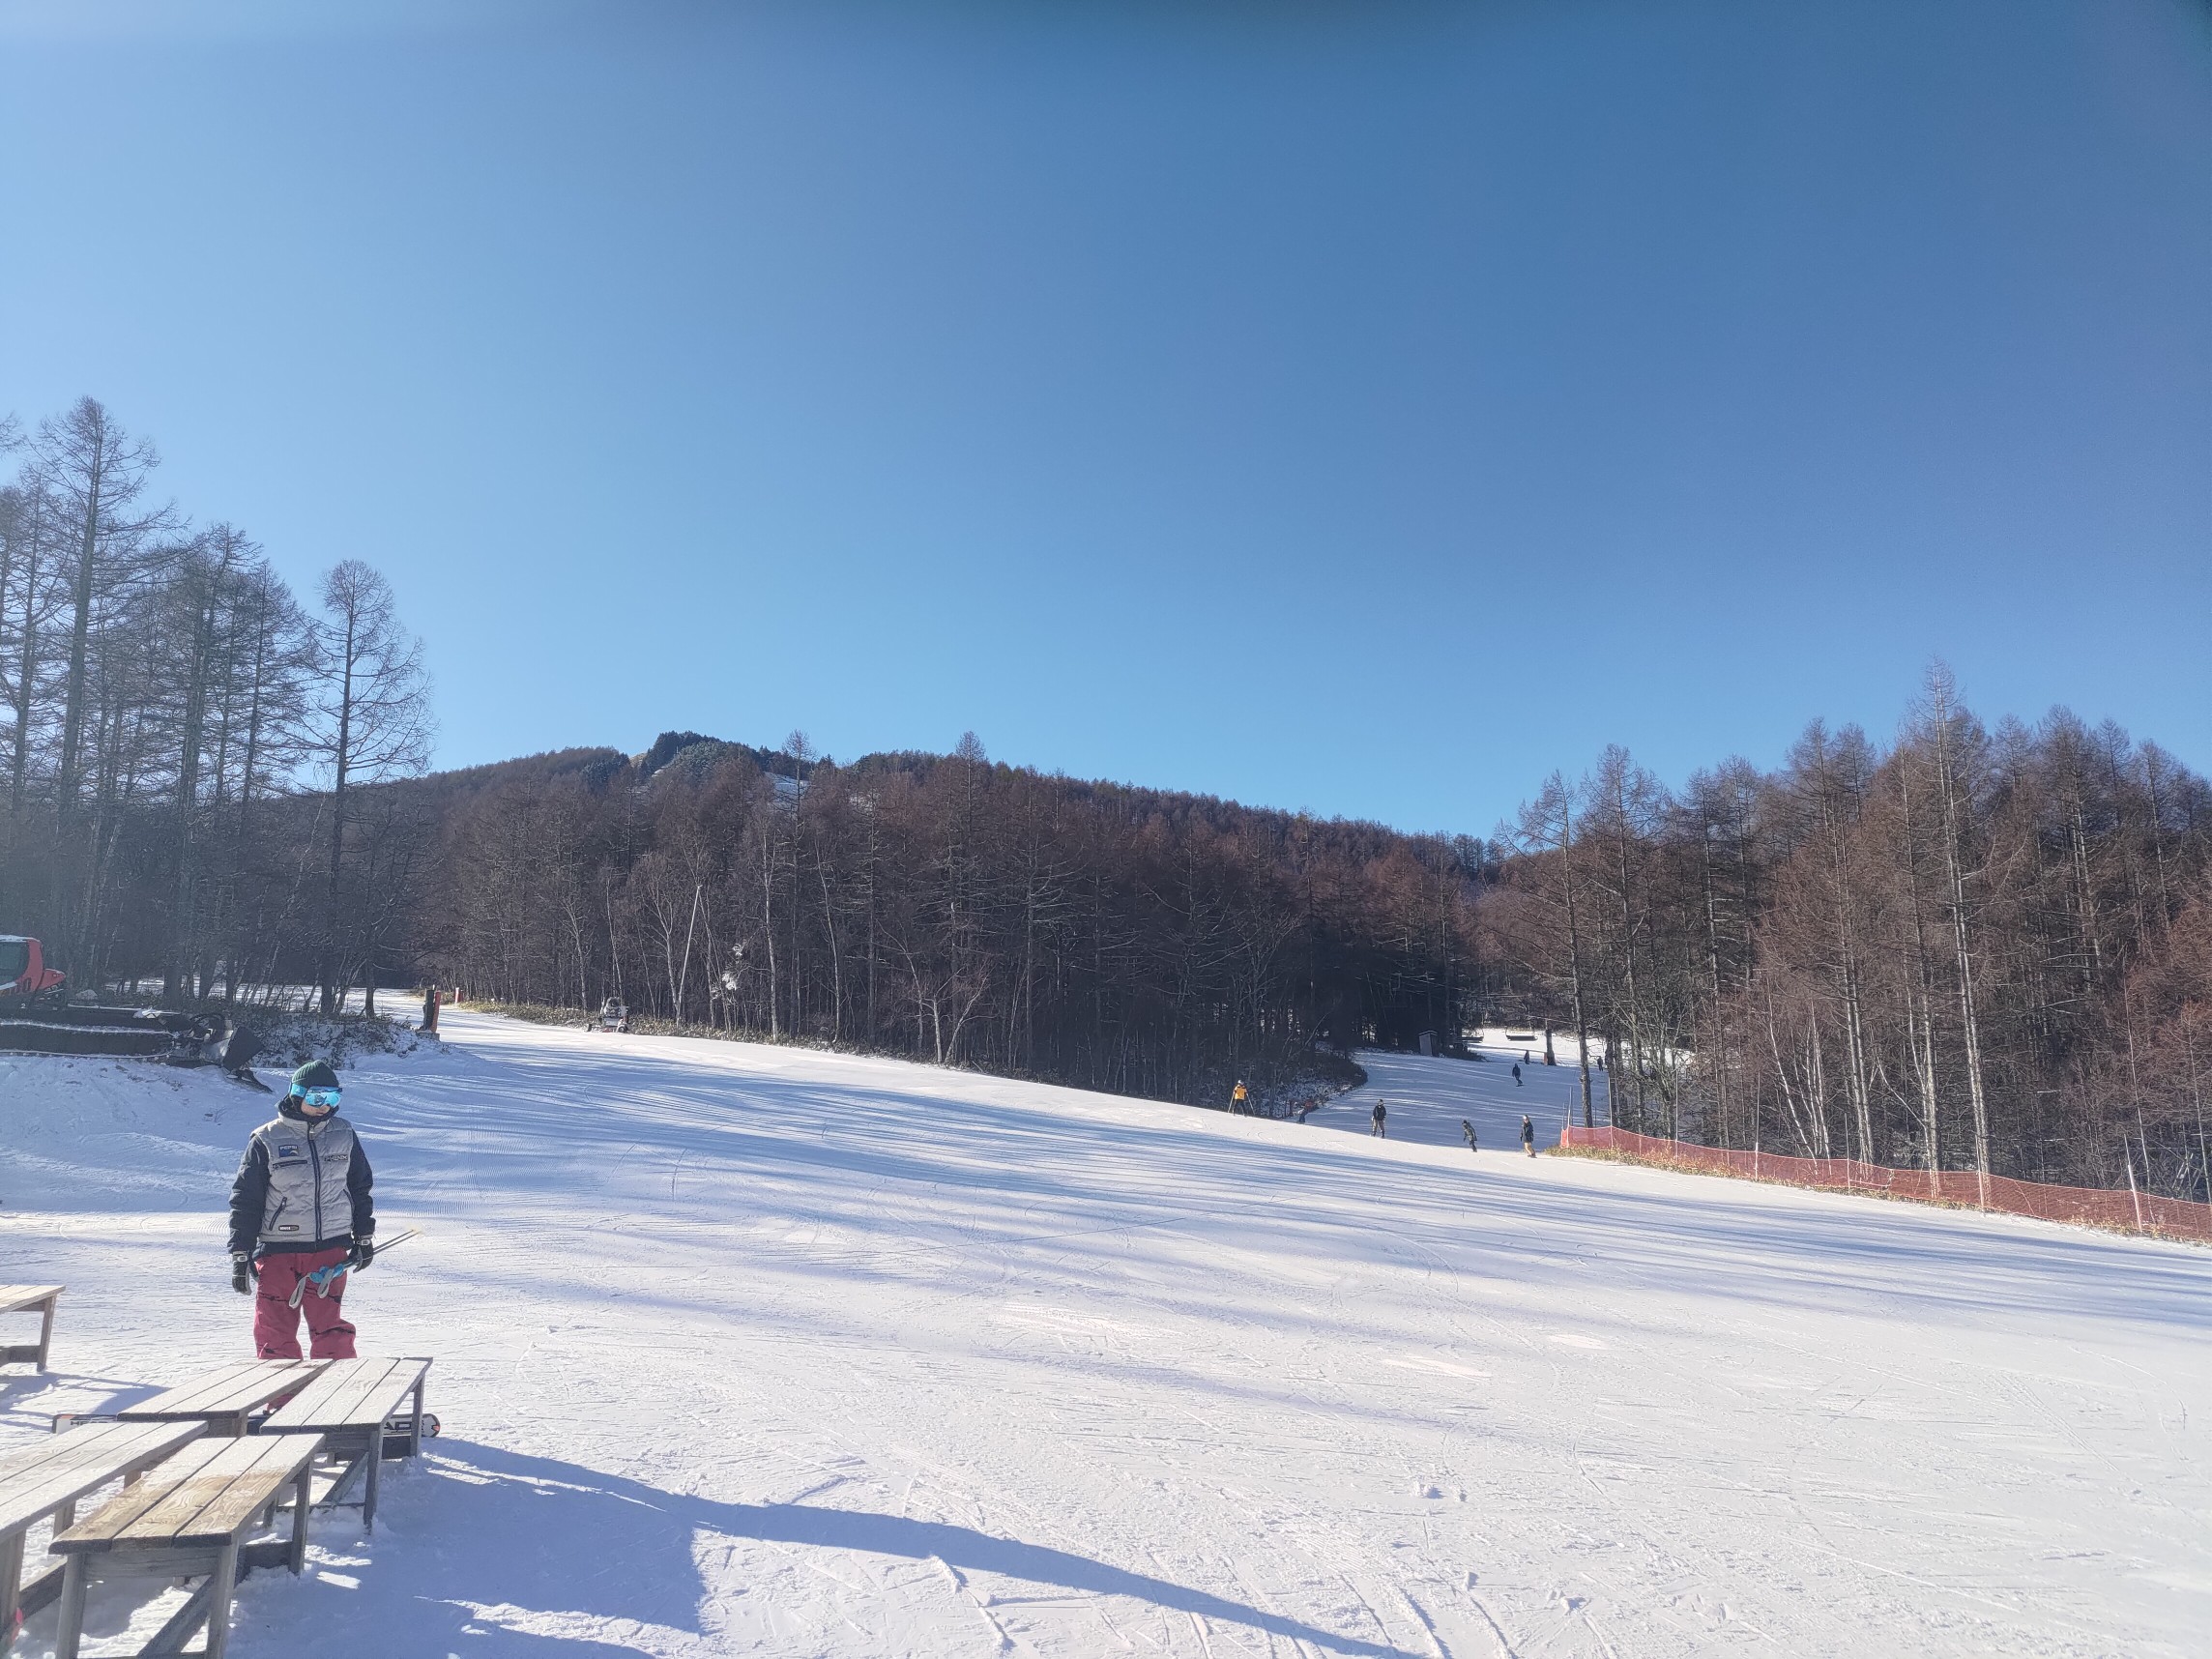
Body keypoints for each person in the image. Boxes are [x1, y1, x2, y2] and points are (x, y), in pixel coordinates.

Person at [228, 1061, 375, 1360]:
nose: (325, 1106)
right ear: (298, 1094)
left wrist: (363, 1237)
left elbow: (360, 1188)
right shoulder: (266, 1139)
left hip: (330, 1250)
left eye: (333, 1098)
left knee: (331, 1329)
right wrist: (240, 1254)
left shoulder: (343, 1134)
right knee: (275, 1331)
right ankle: (281, 1403)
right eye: (317, 1098)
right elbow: (246, 1200)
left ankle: (337, 1397)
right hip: (279, 1253)